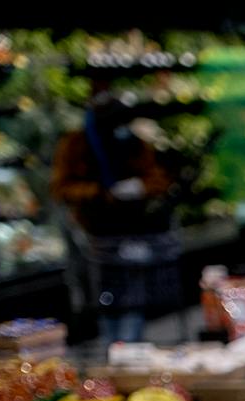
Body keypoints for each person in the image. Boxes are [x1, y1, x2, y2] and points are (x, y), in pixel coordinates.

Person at [51, 74, 173, 343]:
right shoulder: (76, 145)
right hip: (95, 232)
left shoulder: (134, 143)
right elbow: (61, 188)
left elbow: (158, 179)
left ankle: (128, 348)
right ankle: (113, 348)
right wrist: (101, 193)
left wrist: (139, 187)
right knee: (104, 298)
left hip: (133, 230)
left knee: (133, 297)